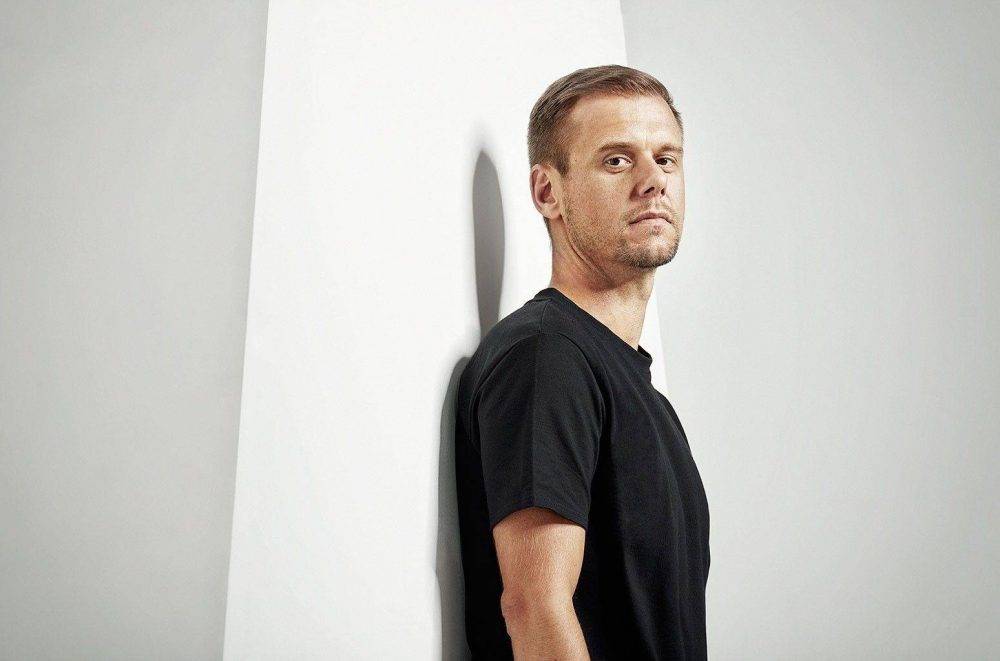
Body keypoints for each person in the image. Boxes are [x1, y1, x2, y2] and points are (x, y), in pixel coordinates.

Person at [454, 64, 710, 660]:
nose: (653, 181)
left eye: (666, 159)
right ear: (549, 193)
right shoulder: (546, 358)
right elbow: (534, 607)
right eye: (617, 160)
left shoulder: (645, 395)